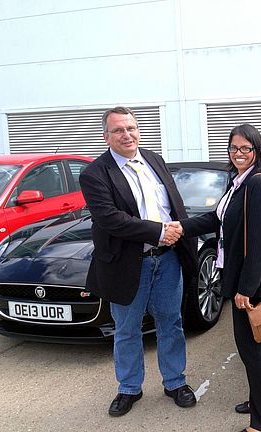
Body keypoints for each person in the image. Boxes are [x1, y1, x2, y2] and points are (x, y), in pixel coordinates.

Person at [80, 106, 198, 417]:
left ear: (139, 131)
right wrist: (159, 232)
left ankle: (175, 382)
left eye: (131, 128)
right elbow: (110, 219)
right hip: (128, 264)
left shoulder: (154, 160)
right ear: (106, 136)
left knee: (171, 323)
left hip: (168, 260)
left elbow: (173, 204)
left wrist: (180, 232)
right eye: (118, 130)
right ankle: (129, 387)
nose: (126, 135)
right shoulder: (94, 174)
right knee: (127, 329)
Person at [178, 124, 261, 432]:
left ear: (257, 151)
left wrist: (246, 289)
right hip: (243, 277)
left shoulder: (259, 184)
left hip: (253, 282)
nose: (239, 153)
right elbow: (216, 219)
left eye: (245, 148)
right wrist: (180, 227)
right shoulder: (238, 183)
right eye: (234, 148)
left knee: (254, 350)